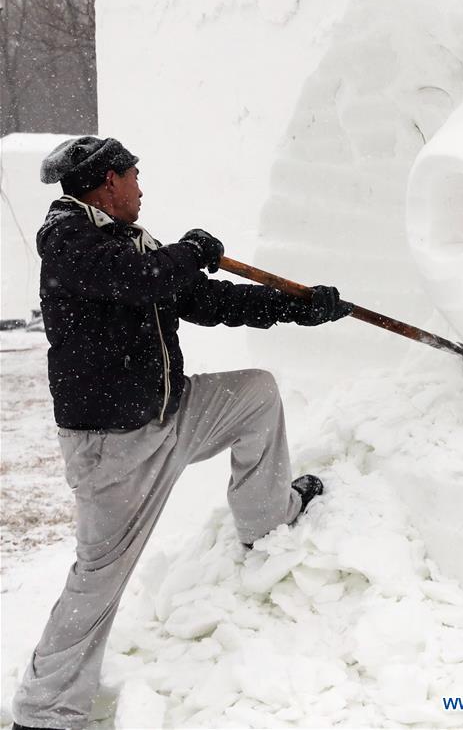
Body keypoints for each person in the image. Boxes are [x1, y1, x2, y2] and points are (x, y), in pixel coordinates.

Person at [12, 136, 353, 730]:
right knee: (99, 579)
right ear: (108, 181)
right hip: (113, 446)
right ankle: (45, 711)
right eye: (135, 177)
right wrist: (188, 250)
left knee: (256, 393)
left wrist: (296, 306)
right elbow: (141, 279)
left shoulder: (131, 244)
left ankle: (266, 518)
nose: (142, 189)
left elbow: (205, 300)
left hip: (173, 411)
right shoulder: (68, 240)